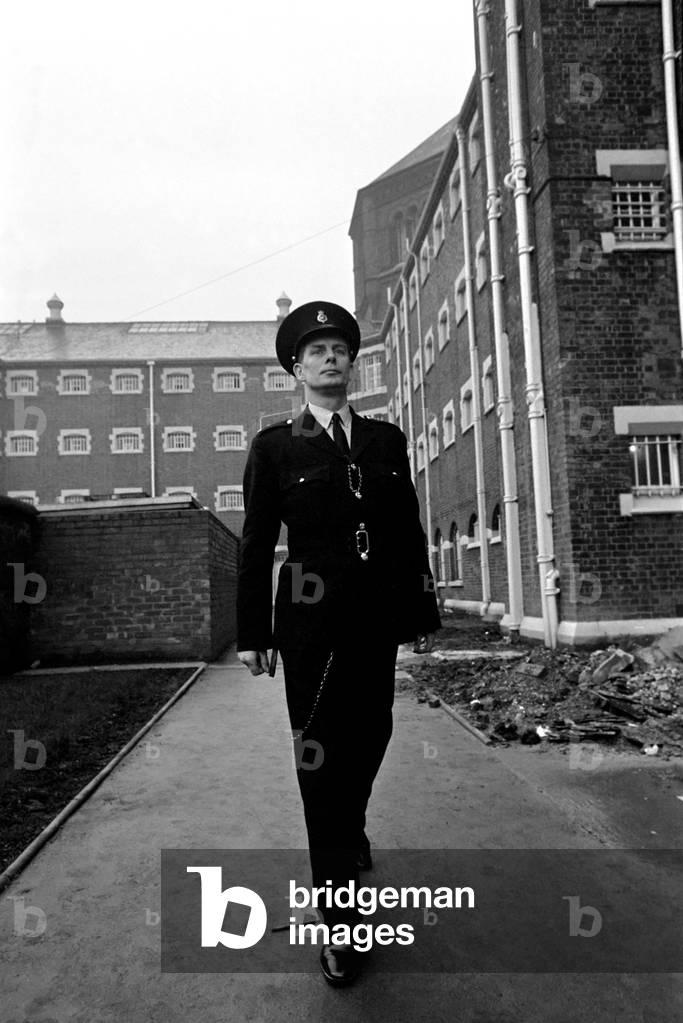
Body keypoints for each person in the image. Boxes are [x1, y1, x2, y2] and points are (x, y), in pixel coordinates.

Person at [237, 299, 441, 986]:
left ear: (352, 364)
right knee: (319, 763)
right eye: (316, 350)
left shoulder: (384, 440)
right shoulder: (274, 446)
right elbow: (257, 541)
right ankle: (341, 925)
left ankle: (350, 822)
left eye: (340, 349)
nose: (331, 358)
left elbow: (407, 528)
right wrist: (251, 631)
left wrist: (419, 612)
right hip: (308, 626)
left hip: (373, 620)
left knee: (373, 732)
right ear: (296, 368)